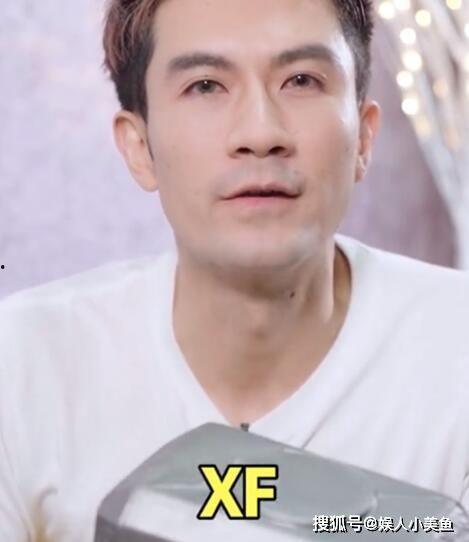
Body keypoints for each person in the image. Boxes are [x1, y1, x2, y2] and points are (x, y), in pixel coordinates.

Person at [1, 0, 468, 540]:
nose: (260, 132)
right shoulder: (26, 360)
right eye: (205, 86)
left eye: (301, 80)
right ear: (139, 147)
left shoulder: (455, 350)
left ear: (363, 136)